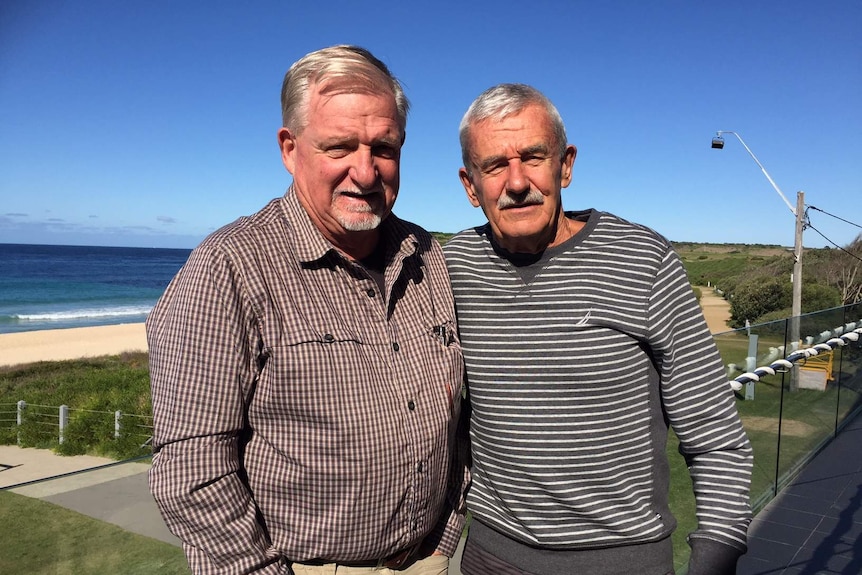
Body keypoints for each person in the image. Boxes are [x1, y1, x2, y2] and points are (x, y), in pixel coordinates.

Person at [147, 45, 468, 575]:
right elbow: (191, 466)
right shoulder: (229, 267)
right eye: (339, 146)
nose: (365, 173)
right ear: (289, 148)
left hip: (426, 561)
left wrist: (444, 537)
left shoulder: (426, 255)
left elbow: (459, 420)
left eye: (384, 148)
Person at [443, 83, 753, 575]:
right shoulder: (452, 266)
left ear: (565, 164)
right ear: (469, 184)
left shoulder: (642, 259)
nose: (517, 181)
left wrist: (715, 557)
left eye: (533, 157)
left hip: (622, 560)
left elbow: (714, 434)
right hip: (488, 558)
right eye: (495, 165)